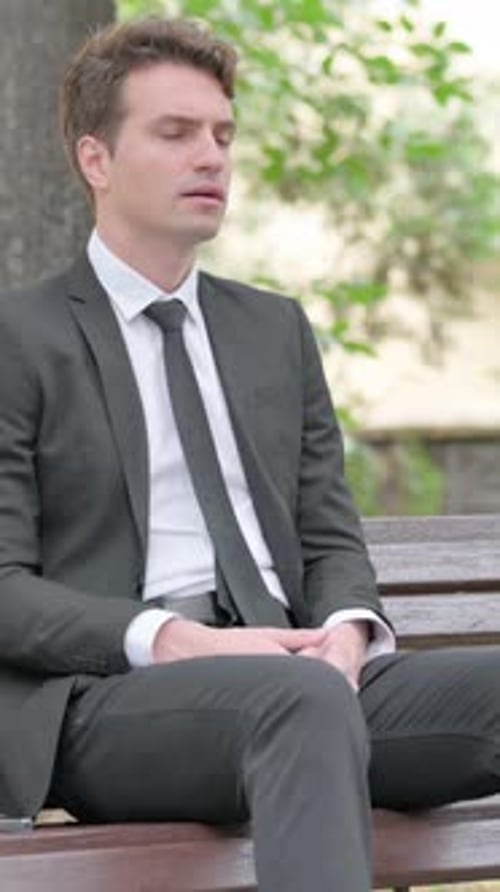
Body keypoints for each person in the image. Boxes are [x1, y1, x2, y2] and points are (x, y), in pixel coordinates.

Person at [0, 17, 499, 891]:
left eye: (223, 135)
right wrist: (176, 641)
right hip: (110, 704)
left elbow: (329, 533)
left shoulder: (274, 330)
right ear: (96, 160)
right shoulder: (19, 340)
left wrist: (348, 637)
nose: (213, 157)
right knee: (295, 702)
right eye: (176, 133)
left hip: (300, 677)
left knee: (317, 697)